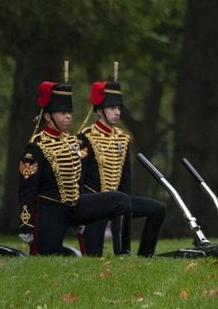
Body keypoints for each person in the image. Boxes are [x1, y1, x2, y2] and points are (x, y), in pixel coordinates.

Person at [17, 80, 133, 256]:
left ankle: (123, 255)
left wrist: (83, 214)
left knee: (121, 200)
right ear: (48, 117)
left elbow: (78, 179)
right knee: (47, 258)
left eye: (69, 112)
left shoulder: (73, 142)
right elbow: (27, 188)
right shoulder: (36, 146)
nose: (68, 117)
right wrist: (27, 223)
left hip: (75, 206)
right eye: (63, 113)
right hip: (51, 211)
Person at [77, 79, 166, 256]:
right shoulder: (85, 137)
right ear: (100, 110)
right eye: (112, 108)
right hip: (95, 203)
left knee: (158, 208)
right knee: (92, 257)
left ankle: (144, 256)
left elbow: (126, 178)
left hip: (120, 202)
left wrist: (126, 204)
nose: (117, 112)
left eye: (119, 108)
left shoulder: (123, 139)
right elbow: (78, 177)